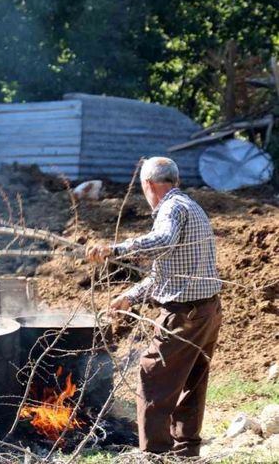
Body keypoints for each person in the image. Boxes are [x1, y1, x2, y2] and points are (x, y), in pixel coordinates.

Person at [87, 157, 222, 457]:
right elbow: (163, 274)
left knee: (151, 377)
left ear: (147, 184)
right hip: (207, 312)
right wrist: (130, 297)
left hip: (184, 315)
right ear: (176, 180)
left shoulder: (171, 209)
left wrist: (116, 249)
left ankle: (155, 455)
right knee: (191, 383)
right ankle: (186, 452)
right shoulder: (189, 206)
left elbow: (162, 240)